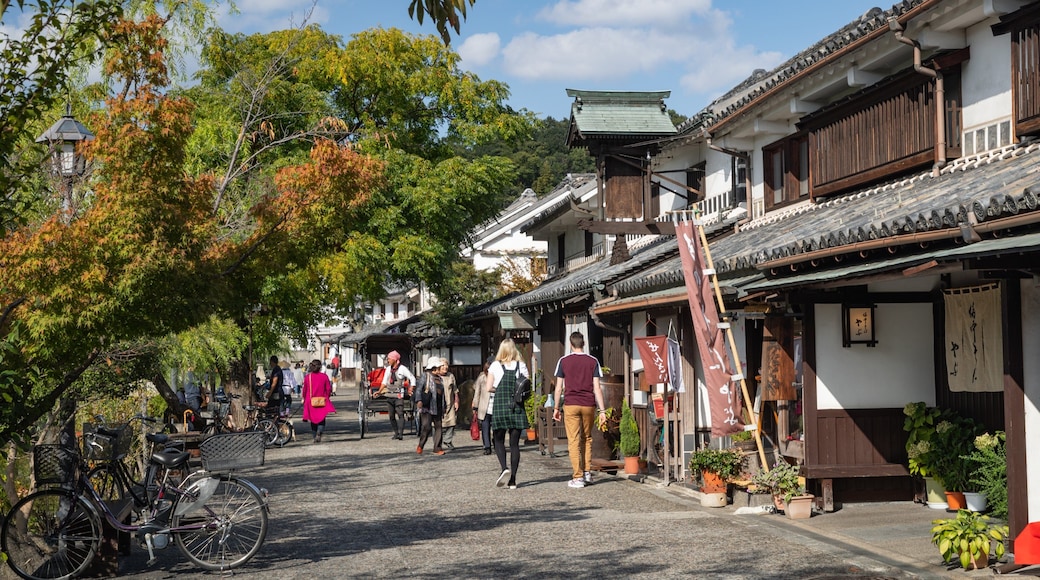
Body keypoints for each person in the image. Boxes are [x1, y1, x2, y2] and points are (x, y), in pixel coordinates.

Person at [552, 331, 607, 488]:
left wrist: (556, 407)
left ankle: (578, 477)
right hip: (588, 404)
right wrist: (602, 411)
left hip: (571, 404)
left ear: (570, 345)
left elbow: (558, 388)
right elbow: (597, 388)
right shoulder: (593, 361)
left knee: (574, 440)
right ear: (584, 344)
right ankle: (587, 472)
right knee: (587, 438)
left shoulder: (563, 361)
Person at [489, 338, 529, 489]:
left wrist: (498, 390)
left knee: (498, 439)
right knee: (514, 444)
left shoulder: (495, 365)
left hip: (500, 406)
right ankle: (513, 480)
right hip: (516, 406)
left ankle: (504, 467)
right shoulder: (521, 365)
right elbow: (526, 386)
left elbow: (488, 387)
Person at [379, 350, 416, 440]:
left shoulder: (402, 369)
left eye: (389, 359)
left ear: (395, 359)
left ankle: (400, 434)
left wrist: (411, 388)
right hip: (389, 394)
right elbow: (384, 382)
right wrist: (379, 391)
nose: (388, 360)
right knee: (391, 416)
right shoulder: (388, 369)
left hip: (399, 395)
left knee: (400, 414)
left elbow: (412, 378)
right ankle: (396, 433)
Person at [415, 357, 446, 455]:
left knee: (438, 427)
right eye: (438, 367)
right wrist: (419, 400)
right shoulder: (425, 376)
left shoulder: (440, 379)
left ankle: (437, 448)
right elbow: (419, 389)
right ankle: (421, 445)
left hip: (438, 406)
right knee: (426, 427)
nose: (440, 369)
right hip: (427, 406)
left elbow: (443, 394)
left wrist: (444, 406)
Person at [302, 359, 336, 443]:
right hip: (322, 400)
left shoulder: (308, 377)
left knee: (313, 420)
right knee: (321, 418)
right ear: (320, 367)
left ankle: (315, 437)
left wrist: (304, 398)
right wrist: (327, 396)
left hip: (311, 401)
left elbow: (305, 390)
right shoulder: (324, 377)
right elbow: (328, 389)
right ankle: (319, 432)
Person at [471, 357, 494, 455]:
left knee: (496, 428)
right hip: (484, 406)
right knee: (485, 427)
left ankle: (496, 442)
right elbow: (477, 392)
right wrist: (475, 405)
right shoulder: (482, 378)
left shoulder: (499, 377)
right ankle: (487, 446)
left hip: (496, 406)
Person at [437, 360, 460, 450]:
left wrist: (456, 401)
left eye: (446, 365)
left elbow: (455, 390)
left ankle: (448, 440)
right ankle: (437, 443)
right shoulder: (435, 376)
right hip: (439, 404)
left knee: (452, 422)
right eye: (443, 365)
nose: (445, 367)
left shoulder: (451, 376)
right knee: (437, 424)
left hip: (450, 403)